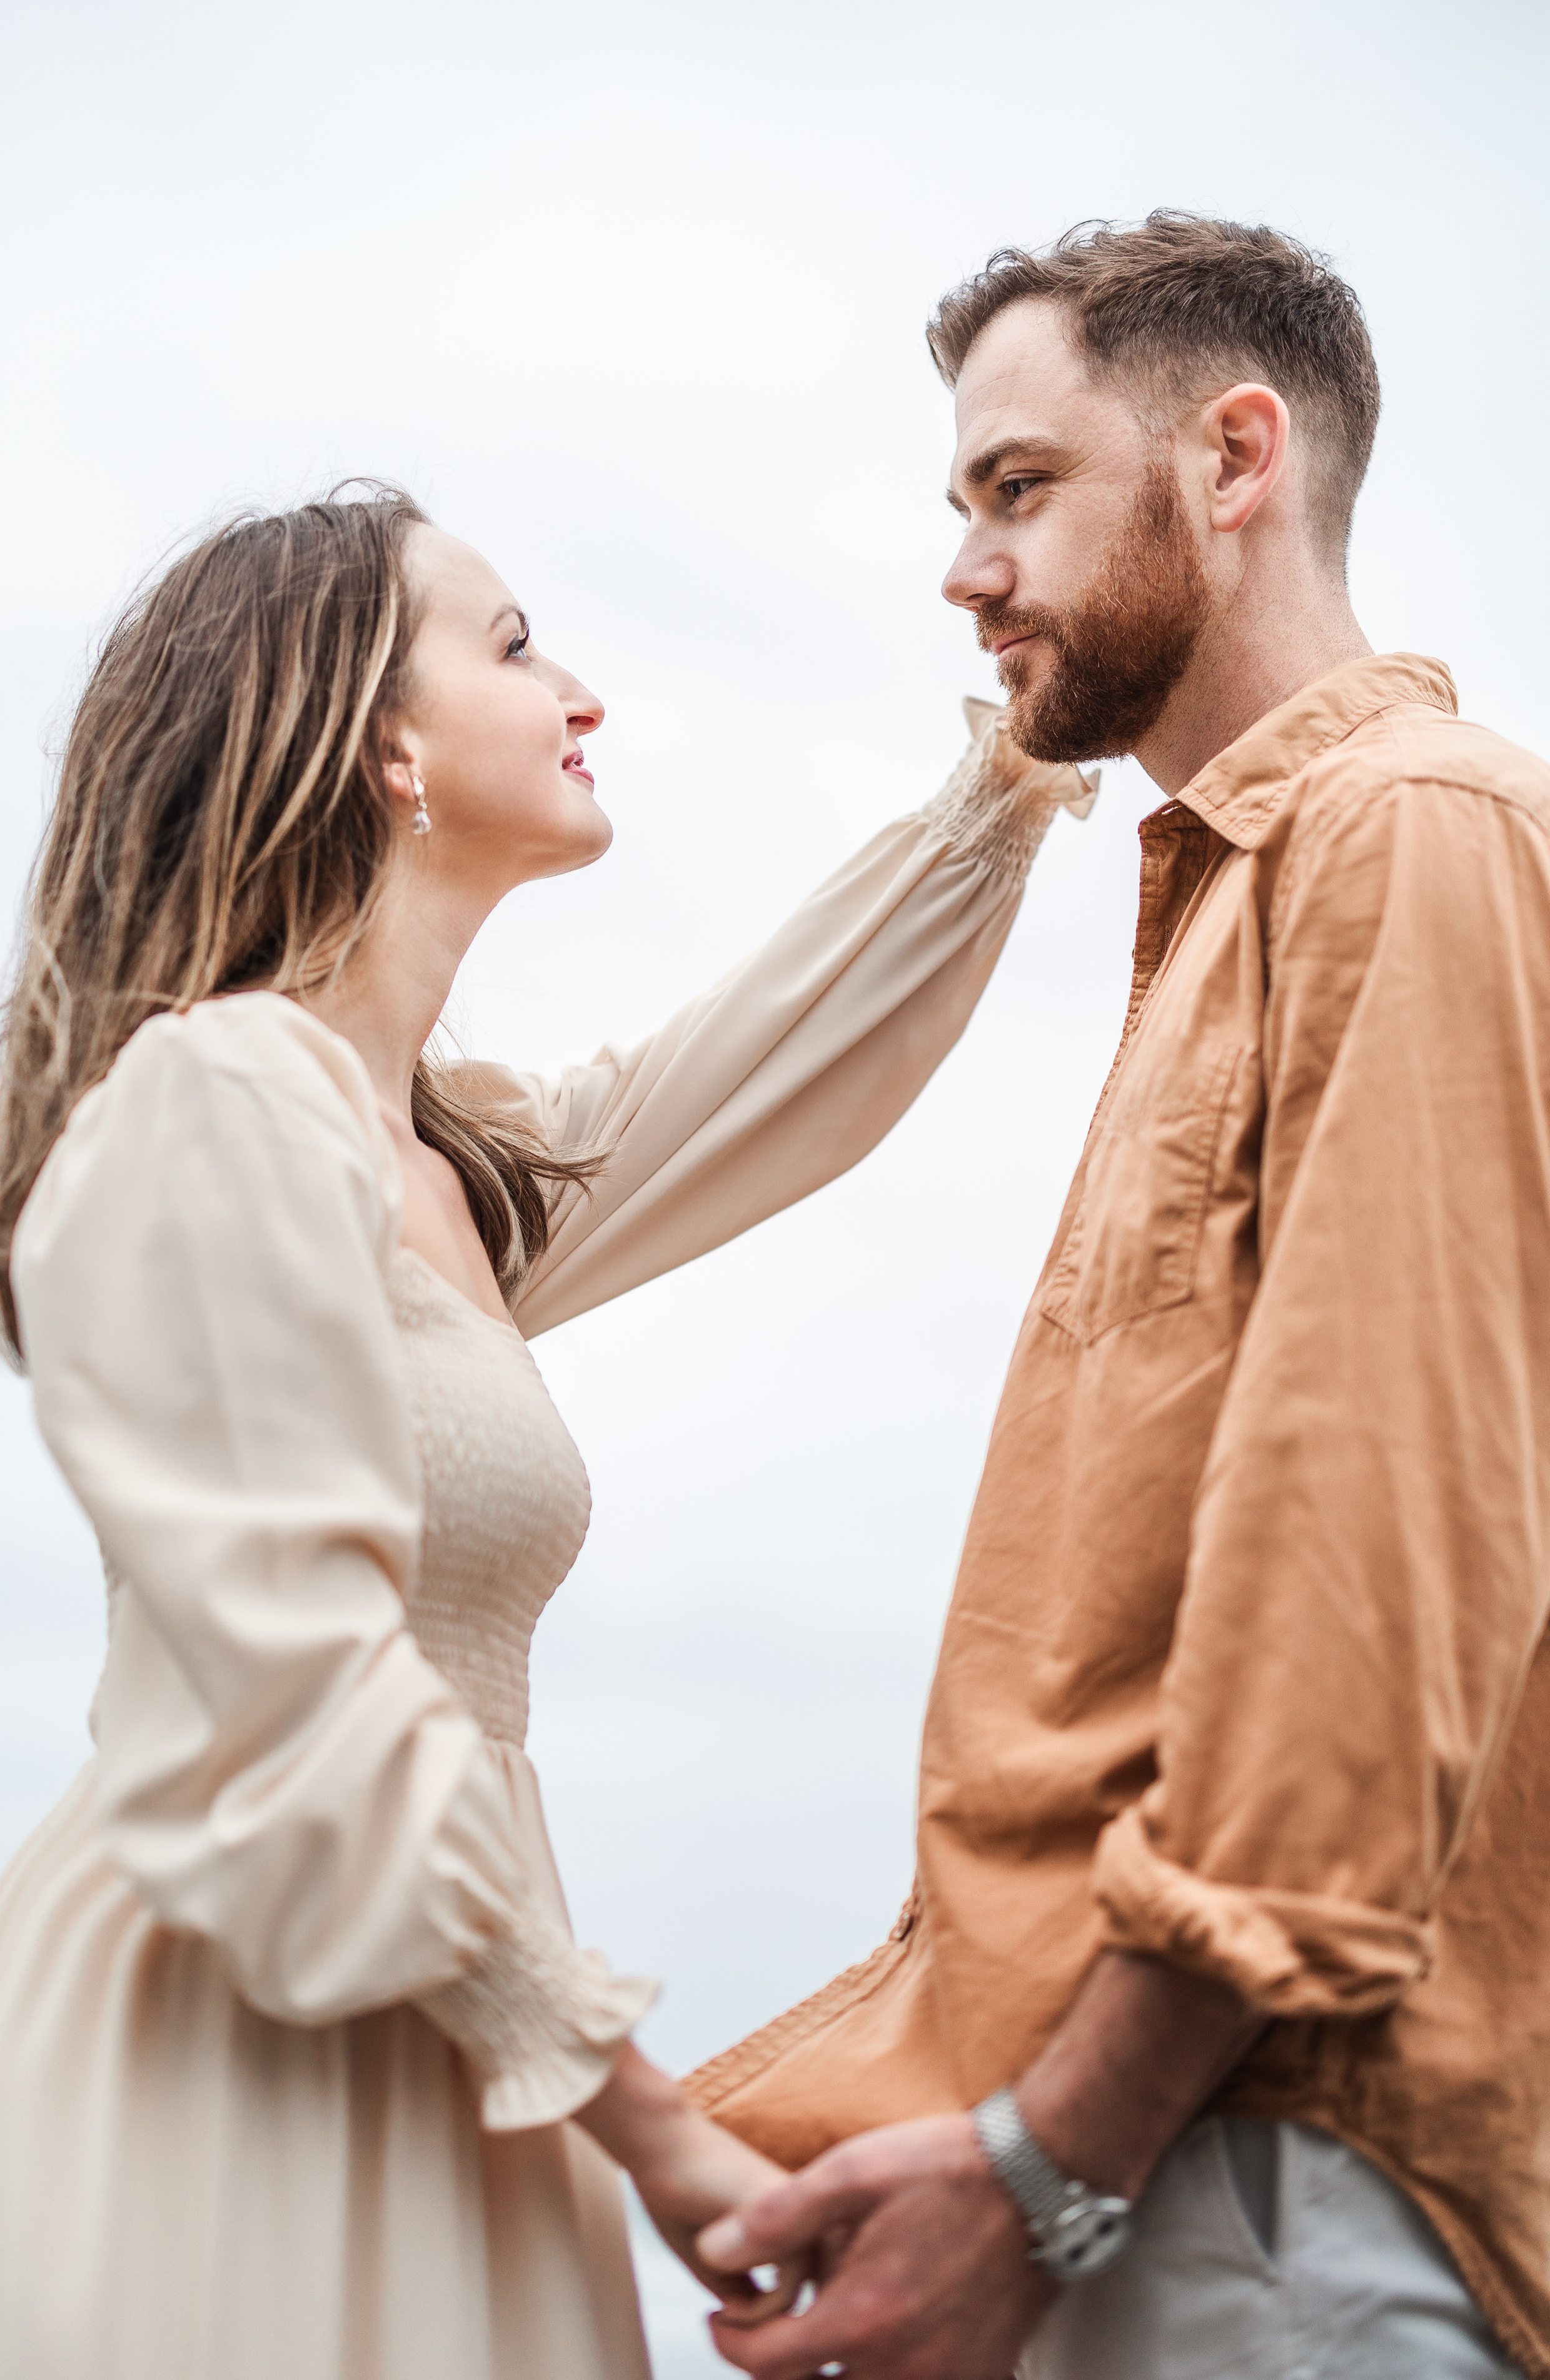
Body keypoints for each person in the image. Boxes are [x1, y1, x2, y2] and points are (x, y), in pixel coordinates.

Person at [0, 489, 1094, 2380]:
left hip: (463, 2050)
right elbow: (296, 1678)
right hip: (228, 2052)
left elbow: (758, 1075)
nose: (579, 690)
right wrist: (647, 2122)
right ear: (381, 745)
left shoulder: (445, 1171)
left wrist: (1022, 775)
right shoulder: (217, 1101)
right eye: (510, 644)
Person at [692, 213, 1550, 2380]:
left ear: (1235, 458)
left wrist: (1060, 2154)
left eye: (1019, 489)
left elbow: (1382, 1562)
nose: (967, 572)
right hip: (1172, 2171)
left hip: (1282, 2173)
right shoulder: (1223, 906)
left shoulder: (1413, 839)